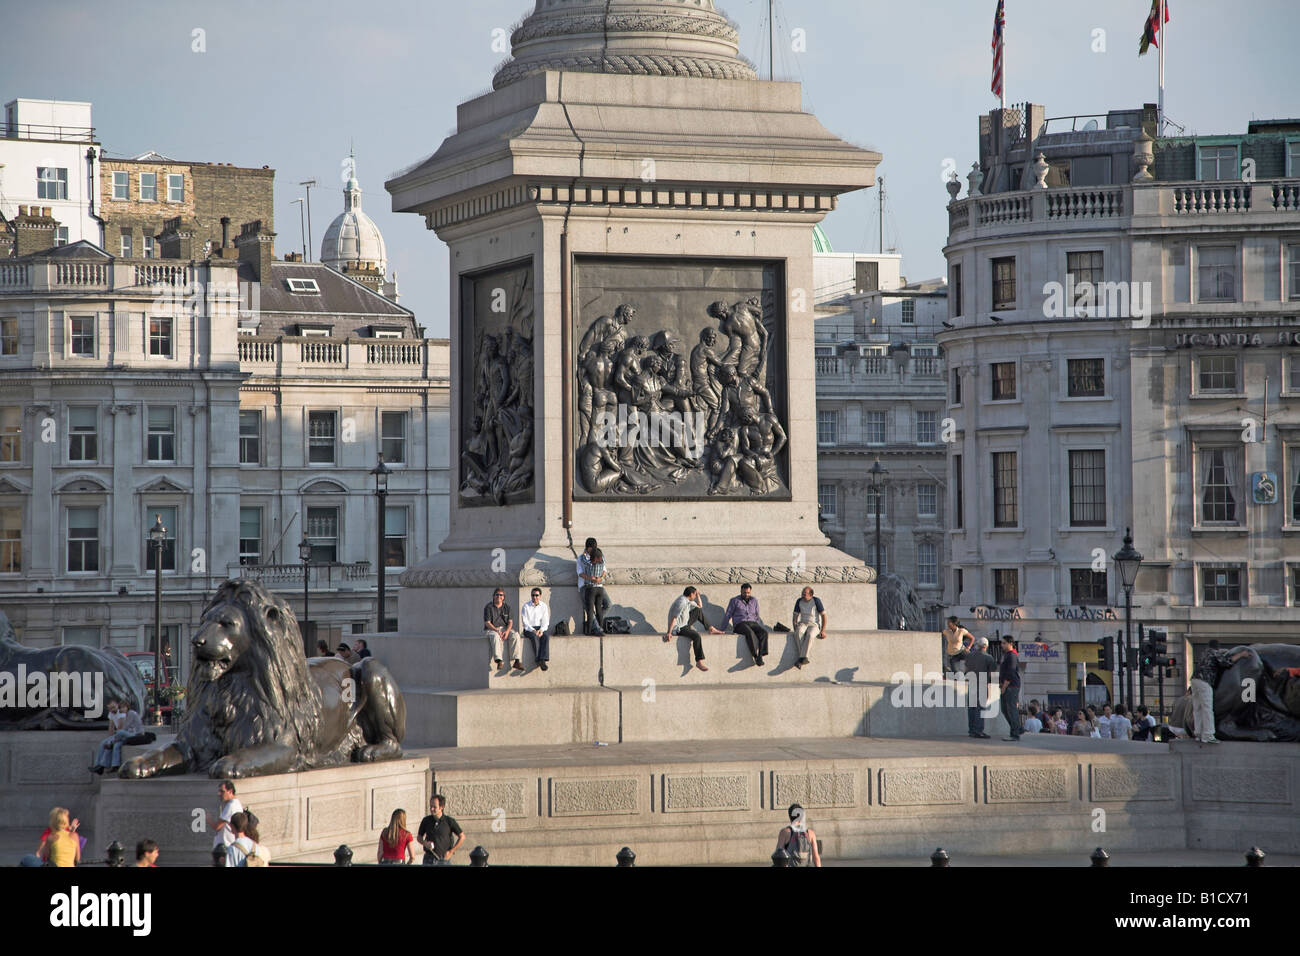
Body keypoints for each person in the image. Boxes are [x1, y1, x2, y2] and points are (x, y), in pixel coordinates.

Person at [1189, 646, 1252, 744]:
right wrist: (1241, 655)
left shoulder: (1205, 654)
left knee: (1198, 708)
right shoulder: (1215, 653)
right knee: (1207, 708)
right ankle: (1208, 735)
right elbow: (1227, 662)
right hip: (1205, 680)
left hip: (1194, 680)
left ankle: (1198, 733)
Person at [664, 586, 725, 672]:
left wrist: (699, 596)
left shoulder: (687, 600)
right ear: (691, 594)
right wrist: (669, 633)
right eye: (695, 595)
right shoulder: (681, 602)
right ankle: (699, 662)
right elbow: (674, 618)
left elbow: (700, 606)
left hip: (684, 624)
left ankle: (710, 628)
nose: (695, 596)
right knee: (696, 636)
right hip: (678, 628)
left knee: (697, 610)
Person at [89, 697, 144, 774]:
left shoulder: (130, 713)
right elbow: (111, 727)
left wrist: (112, 740)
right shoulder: (124, 714)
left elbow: (123, 728)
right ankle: (106, 765)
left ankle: (111, 745)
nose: (121, 710)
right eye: (110, 708)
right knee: (110, 744)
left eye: (123, 708)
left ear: (126, 707)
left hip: (136, 734)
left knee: (118, 735)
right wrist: (110, 738)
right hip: (124, 735)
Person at [723, 583, 769, 667]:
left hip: (753, 623)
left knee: (764, 633)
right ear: (741, 591)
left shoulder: (754, 600)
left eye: (748, 593)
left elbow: (757, 615)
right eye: (744, 593)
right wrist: (722, 629)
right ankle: (755, 655)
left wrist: (758, 626)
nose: (746, 594)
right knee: (749, 632)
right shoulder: (734, 600)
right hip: (740, 624)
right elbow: (728, 615)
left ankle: (760, 656)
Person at [417, 794, 465, 865]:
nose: (431, 809)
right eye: (430, 806)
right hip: (428, 858)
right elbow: (419, 837)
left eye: (434, 807)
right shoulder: (426, 820)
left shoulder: (449, 821)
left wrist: (451, 852)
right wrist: (425, 843)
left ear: (441, 807)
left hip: (443, 859)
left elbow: (462, 837)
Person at [483, 588, 522, 672]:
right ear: (493, 596)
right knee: (495, 636)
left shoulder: (507, 607)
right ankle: (499, 660)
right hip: (491, 629)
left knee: (516, 635)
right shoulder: (489, 607)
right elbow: (487, 623)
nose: (499, 596)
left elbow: (510, 622)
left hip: (504, 628)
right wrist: (496, 630)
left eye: (501, 595)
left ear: (504, 597)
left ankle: (517, 661)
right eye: (497, 595)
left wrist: (507, 632)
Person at [965, 636, 995, 739]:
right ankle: (979, 730)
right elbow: (991, 674)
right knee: (980, 708)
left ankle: (972, 730)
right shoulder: (989, 658)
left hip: (972, 683)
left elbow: (966, 669)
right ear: (986, 646)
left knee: (972, 708)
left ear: (977, 645)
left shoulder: (970, 656)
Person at [791, 586, 827, 668]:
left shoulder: (816, 601)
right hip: (803, 623)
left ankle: (801, 658)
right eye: (802, 593)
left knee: (810, 635)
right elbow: (795, 616)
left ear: (810, 595)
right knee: (798, 633)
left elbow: (824, 616)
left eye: (805, 594)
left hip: (814, 624)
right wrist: (795, 627)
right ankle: (803, 658)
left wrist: (823, 631)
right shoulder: (799, 601)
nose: (803, 595)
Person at [520, 588, 551, 671]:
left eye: (536, 595)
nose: (534, 597)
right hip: (529, 629)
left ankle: (543, 659)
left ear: (540, 596)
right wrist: (533, 630)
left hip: (540, 628)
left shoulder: (543, 606)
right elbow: (525, 622)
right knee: (534, 637)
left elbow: (545, 621)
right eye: (533, 595)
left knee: (545, 637)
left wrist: (541, 630)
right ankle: (538, 659)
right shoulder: (526, 606)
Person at [998, 635, 1023, 740]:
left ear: (1010, 643)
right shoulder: (1006, 655)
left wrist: (1004, 686)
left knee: (1011, 709)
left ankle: (1015, 733)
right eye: (1002, 643)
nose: (1002, 645)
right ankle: (1017, 728)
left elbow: (1011, 672)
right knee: (1004, 709)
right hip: (1006, 685)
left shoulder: (1012, 655)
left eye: (1004, 643)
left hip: (1011, 686)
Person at [583, 548, 611, 636]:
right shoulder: (602, 562)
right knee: (599, 609)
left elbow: (584, 559)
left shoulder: (590, 564)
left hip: (591, 588)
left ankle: (589, 630)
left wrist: (585, 552)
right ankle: (601, 628)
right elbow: (603, 562)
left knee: (590, 610)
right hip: (600, 589)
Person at [207, 780, 243, 850]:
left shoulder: (231, 806)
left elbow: (217, 826)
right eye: (219, 791)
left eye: (222, 791)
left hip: (225, 847)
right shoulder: (235, 803)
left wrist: (208, 818)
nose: (219, 794)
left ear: (230, 791)